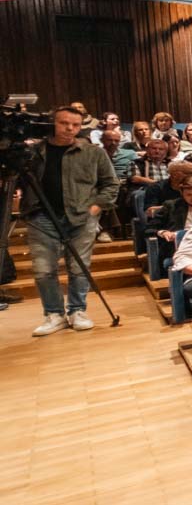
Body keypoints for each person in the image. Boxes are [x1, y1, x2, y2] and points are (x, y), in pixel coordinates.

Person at [22, 106, 119, 336]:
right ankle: (54, 314)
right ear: (52, 124)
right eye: (64, 123)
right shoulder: (34, 152)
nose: (70, 128)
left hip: (81, 215)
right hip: (42, 216)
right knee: (44, 270)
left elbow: (111, 184)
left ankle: (77, 311)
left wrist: (95, 208)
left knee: (79, 268)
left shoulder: (93, 152)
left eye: (75, 125)